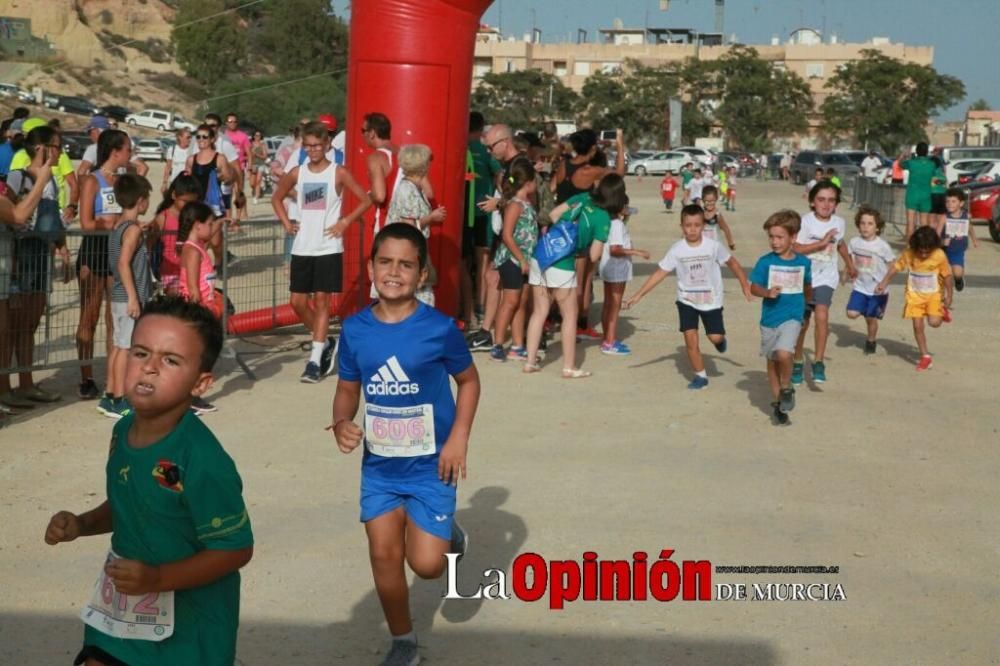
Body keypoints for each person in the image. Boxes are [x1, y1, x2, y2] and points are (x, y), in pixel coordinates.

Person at [44, 295, 254, 666]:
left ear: (201, 383)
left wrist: (158, 578)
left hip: (191, 630)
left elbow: (236, 549)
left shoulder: (202, 459)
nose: (150, 368)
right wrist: (82, 523)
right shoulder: (122, 430)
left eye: (171, 360)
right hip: (122, 612)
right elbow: (131, 502)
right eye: (141, 353)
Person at [331, 223, 480, 666]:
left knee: (428, 566)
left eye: (406, 264)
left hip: (433, 466)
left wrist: (459, 438)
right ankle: (405, 642)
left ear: (422, 274)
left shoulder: (439, 329)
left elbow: (469, 382)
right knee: (383, 552)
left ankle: (449, 538)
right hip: (380, 467)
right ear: (372, 267)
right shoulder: (355, 330)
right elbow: (347, 387)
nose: (394, 272)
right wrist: (341, 419)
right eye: (385, 261)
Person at [272, 121, 372, 383]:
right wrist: (286, 222)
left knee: (323, 302)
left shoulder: (338, 172)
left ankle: (314, 360)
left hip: (328, 246)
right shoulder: (297, 172)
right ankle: (324, 340)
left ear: (327, 145)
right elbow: (277, 197)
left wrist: (345, 222)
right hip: (303, 245)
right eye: (308, 146)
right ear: (303, 146)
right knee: (297, 302)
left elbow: (365, 199)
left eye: (318, 145)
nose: (313, 150)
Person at [625, 204, 751, 388]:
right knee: (690, 339)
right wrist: (637, 296)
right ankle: (700, 376)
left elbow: (733, 264)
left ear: (703, 225)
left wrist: (744, 284)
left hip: (711, 301)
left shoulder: (713, 246)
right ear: (681, 226)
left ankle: (720, 340)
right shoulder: (677, 249)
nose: (692, 229)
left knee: (714, 337)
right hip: (686, 300)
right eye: (688, 225)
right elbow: (660, 273)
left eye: (697, 225)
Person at [0, 133, 59, 413]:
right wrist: (41, 181)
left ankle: (24, 383)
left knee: (27, 325)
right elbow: (17, 216)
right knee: (8, 327)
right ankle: (5, 388)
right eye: (56, 145)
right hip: (17, 258)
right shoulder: (17, 177)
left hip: (35, 256)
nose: (61, 151)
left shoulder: (50, 180)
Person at [77, 129, 132, 401]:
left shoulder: (123, 180)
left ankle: (114, 379)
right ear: (115, 151)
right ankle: (85, 377)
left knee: (116, 318)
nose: (130, 154)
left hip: (116, 251)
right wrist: (109, 223)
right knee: (89, 314)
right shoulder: (91, 181)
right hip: (94, 251)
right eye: (128, 149)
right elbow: (85, 224)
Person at [749, 210, 813, 426]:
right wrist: (766, 293)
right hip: (769, 319)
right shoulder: (765, 262)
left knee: (784, 353)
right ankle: (779, 404)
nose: (774, 242)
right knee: (772, 361)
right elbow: (754, 287)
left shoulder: (803, 263)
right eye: (771, 237)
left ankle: (786, 387)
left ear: (793, 237)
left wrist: (808, 308)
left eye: (779, 237)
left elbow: (807, 286)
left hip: (792, 316)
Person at [791, 180, 856, 386]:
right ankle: (798, 361)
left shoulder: (839, 223)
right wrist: (820, 243)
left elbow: (840, 244)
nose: (826, 204)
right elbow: (796, 248)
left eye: (831, 200)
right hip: (803, 279)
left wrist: (850, 263)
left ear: (836, 204)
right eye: (821, 200)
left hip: (826, 278)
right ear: (812, 202)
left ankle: (818, 361)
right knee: (801, 324)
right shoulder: (805, 222)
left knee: (822, 315)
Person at [103, 174, 154, 419]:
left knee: (118, 346)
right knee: (125, 348)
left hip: (118, 297)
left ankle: (110, 393)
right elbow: (124, 264)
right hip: (128, 298)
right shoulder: (131, 230)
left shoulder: (119, 227)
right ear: (141, 201)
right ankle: (120, 398)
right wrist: (134, 298)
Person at [875, 226, 953, 371]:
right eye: (920, 251)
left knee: (934, 323)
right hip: (914, 296)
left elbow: (947, 275)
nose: (923, 254)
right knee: (918, 326)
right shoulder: (909, 254)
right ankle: (925, 357)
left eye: (927, 251)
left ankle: (941, 312)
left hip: (934, 295)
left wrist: (949, 295)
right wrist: (884, 282)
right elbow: (895, 268)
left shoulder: (939, 255)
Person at [488, 159, 537, 362]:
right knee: (510, 301)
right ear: (528, 183)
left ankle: (518, 345)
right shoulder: (515, 205)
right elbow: (507, 235)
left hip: (525, 259)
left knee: (521, 302)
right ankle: (498, 344)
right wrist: (521, 259)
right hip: (512, 259)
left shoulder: (527, 203)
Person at [845, 206, 895, 355]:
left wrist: (883, 283)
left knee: (871, 319)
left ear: (878, 227)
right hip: (860, 287)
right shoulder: (854, 242)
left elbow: (894, 267)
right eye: (862, 223)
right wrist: (846, 273)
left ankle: (871, 340)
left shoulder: (882, 246)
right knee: (851, 313)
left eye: (870, 223)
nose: (865, 227)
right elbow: (850, 260)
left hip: (877, 291)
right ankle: (863, 308)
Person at [599, 208, 649, 356]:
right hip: (616, 269)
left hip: (608, 266)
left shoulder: (609, 221)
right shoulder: (617, 224)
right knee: (614, 305)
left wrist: (625, 218)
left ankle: (607, 338)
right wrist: (637, 252)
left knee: (608, 304)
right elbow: (615, 249)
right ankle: (609, 342)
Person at [467, 112, 501, 326]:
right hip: (483, 212)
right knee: (482, 262)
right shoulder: (485, 152)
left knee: (464, 262)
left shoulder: (460, 147)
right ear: (481, 129)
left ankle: (467, 306)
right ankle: (480, 304)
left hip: (462, 213)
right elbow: (501, 177)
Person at [153, 175, 202, 295]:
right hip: (170, 272)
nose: (188, 206)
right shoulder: (163, 218)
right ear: (174, 195)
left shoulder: (196, 216)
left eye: (192, 202)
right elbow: (149, 246)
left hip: (193, 269)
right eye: (185, 201)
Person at [185, 124, 235, 221]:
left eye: (205, 137)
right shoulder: (191, 159)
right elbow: (186, 183)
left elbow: (228, 182)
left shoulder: (220, 158)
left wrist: (220, 176)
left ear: (212, 139)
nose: (201, 139)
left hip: (214, 206)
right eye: (198, 137)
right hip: (195, 205)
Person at [939, 187, 976, 293]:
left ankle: (959, 280)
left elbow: (970, 227)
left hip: (958, 250)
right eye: (947, 201)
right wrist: (942, 241)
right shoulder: (944, 217)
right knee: (942, 275)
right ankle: (941, 296)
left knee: (957, 273)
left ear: (961, 203)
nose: (949, 204)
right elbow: (936, 235)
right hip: (943, 251)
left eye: (953, 201)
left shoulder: (966, 216)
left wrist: (974, 239)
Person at [902, 142, 937, 239]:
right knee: (924, 223)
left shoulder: (911, 162)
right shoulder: (931, 164)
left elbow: (900, 164)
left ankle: (909, 246)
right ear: (927, 152)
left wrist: (903, 155)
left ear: (916, 151)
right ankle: (923, 246)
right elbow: (934, 177)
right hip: (926, 195)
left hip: (912, 194)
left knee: (910, 222)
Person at [700, 185, 735, 249]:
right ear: (702, 200)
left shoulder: (717, 215)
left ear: (716, 199)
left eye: (712, 201)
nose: (710, 203)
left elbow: (726, 229)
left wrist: (730, 243)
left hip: (715, 246)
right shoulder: (699, 213)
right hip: (703, 246)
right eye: (707, 201)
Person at [163, 127, 195, 193]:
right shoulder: (172, 149)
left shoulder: (193, 150)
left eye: (190, 137)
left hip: (187, 184)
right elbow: (168, 167)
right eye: (188, 137)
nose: (190, 139)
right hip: (174, 182)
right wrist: (164, 183)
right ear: (180, 137)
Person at [249, 130, 269, 204]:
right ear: (253, 136)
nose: (257, 137)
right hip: (252, 164)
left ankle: (256, 197)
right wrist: (250, 166)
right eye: (256, 135)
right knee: (252, 183)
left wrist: (257, 154)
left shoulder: (263, 145)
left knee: (258, 180)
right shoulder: (250, 144)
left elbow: (265, 156)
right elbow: (248, 155)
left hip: (261, 164)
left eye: (259, 135)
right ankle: (257, 190)